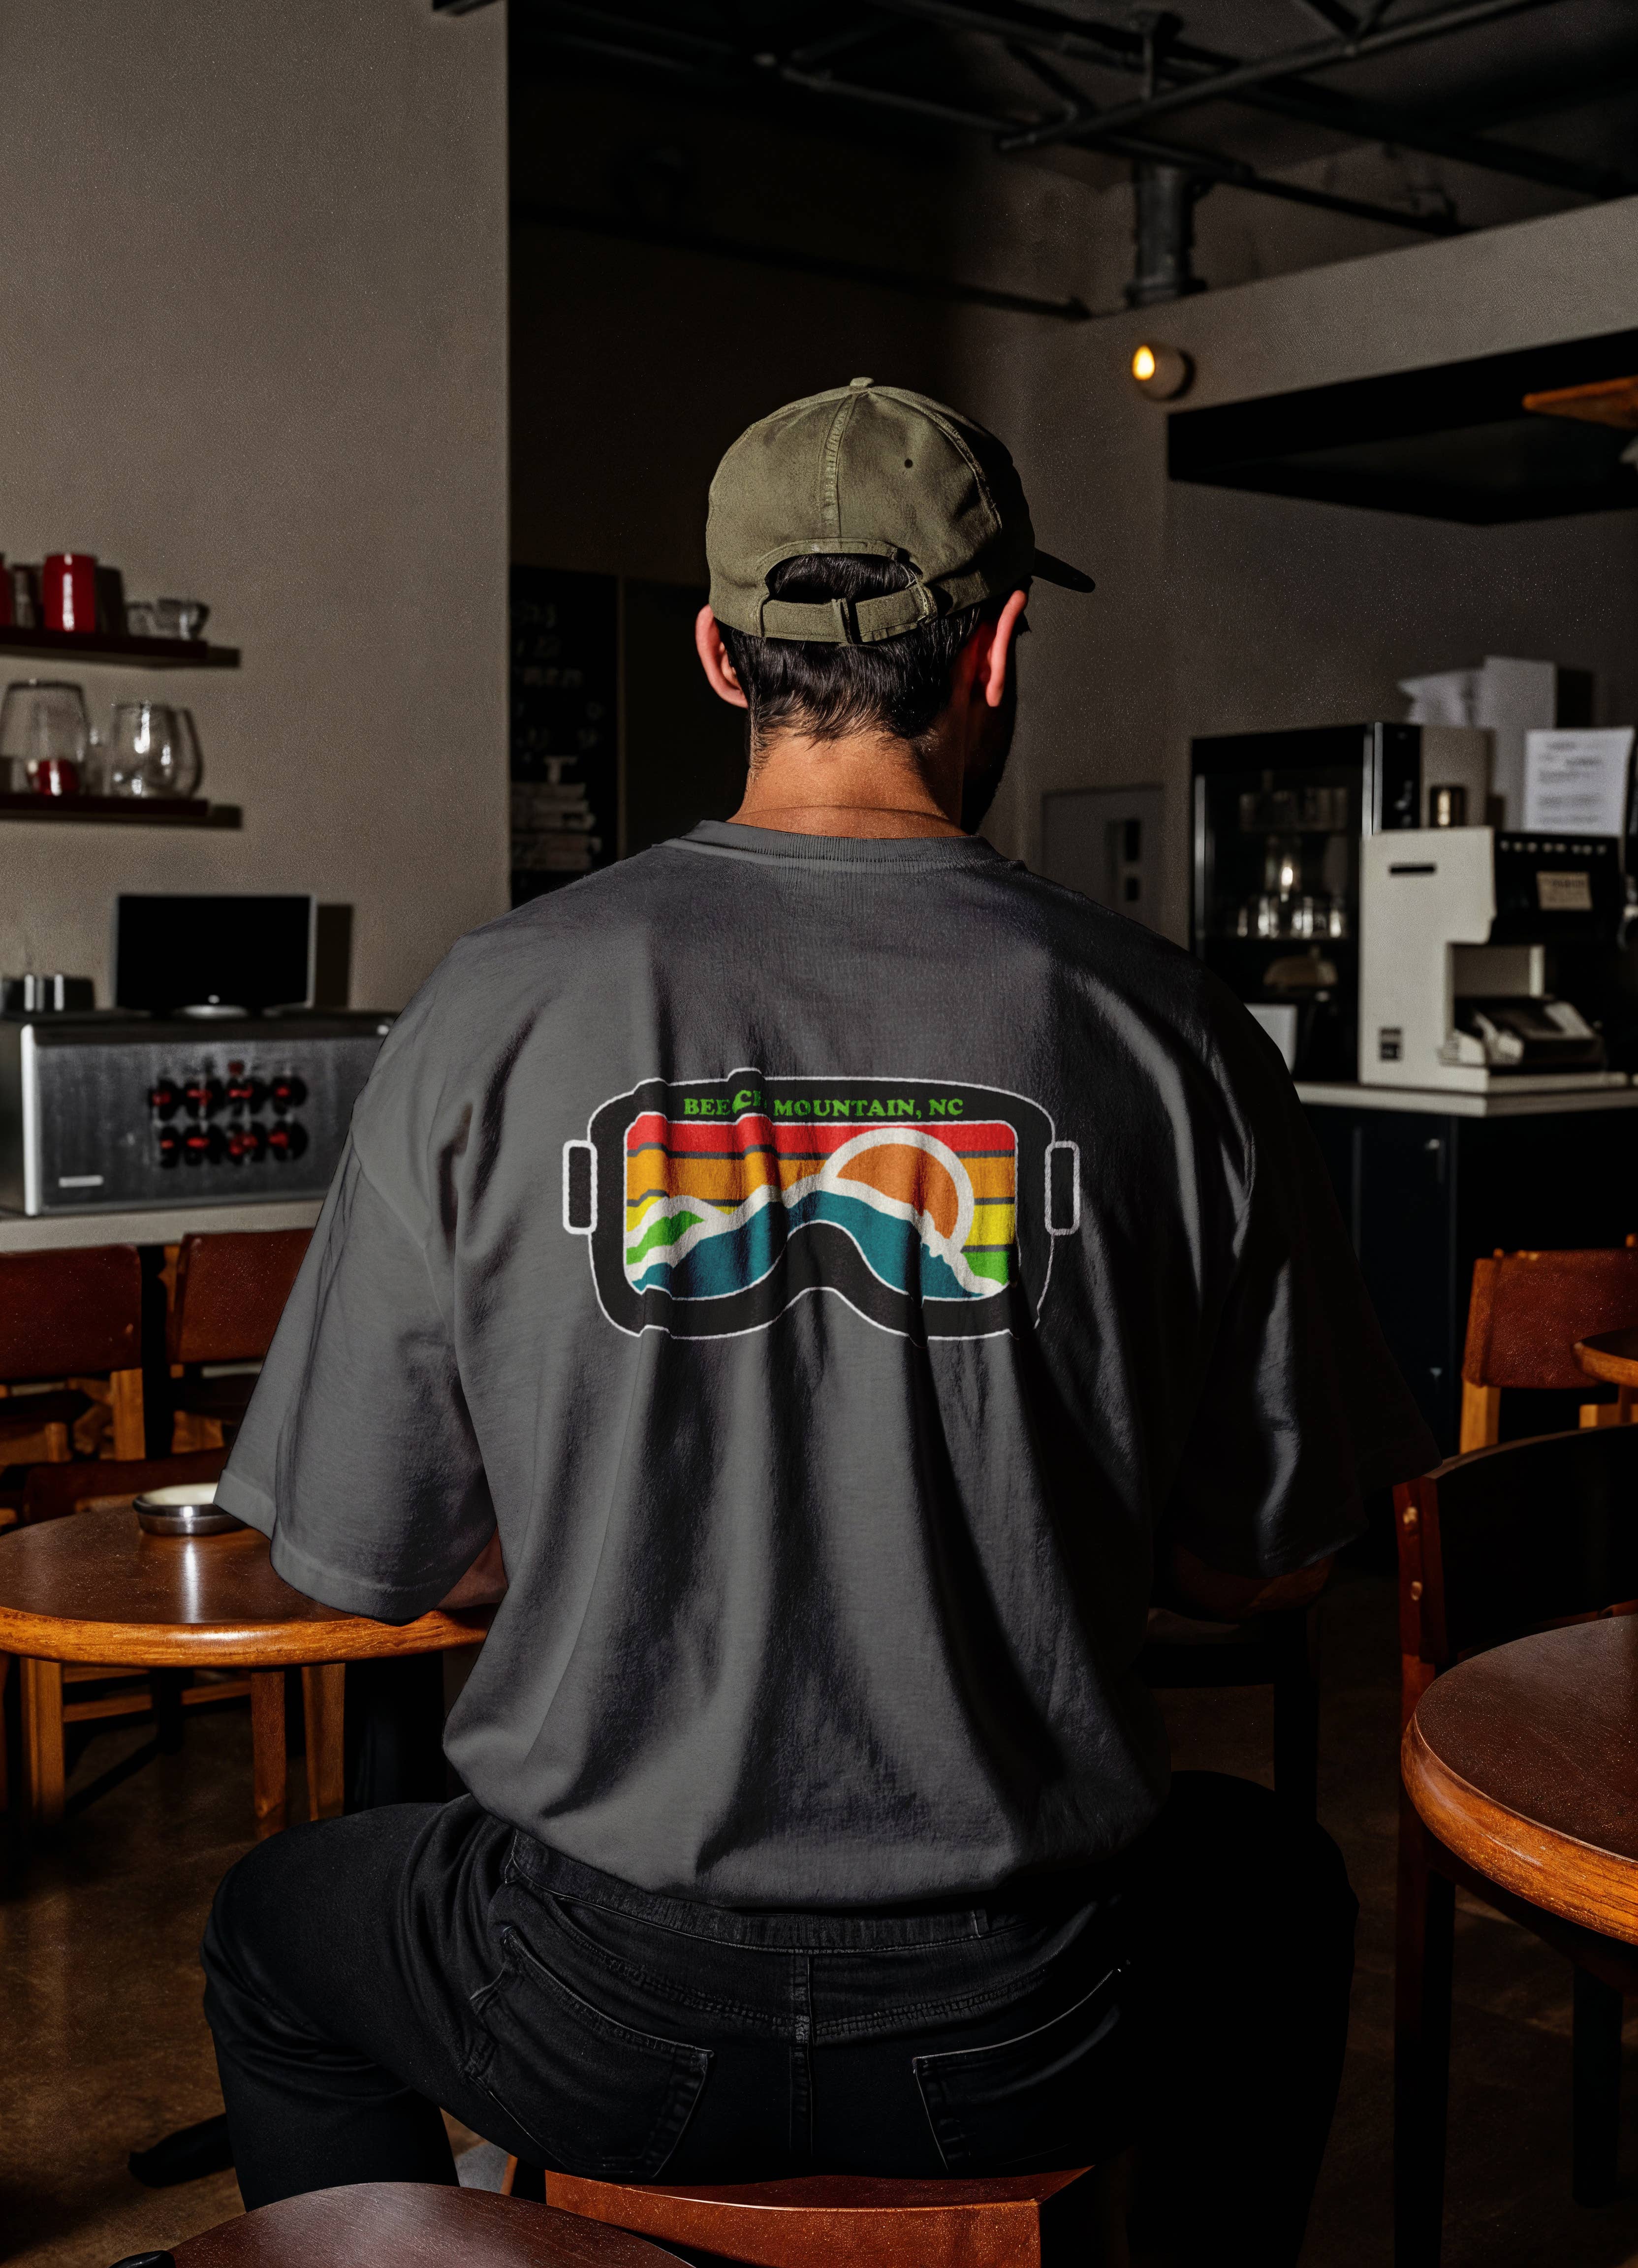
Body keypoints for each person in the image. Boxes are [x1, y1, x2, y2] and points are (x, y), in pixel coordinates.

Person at [202, 379, 1437, 2261]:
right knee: (1278, 1891)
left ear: (719, 655)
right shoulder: (1170, 1031)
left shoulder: (494, 1008)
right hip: (1034, 2011)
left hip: (596, 2004)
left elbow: (383, 1565)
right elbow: (1263, 1569)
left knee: (274, 1936)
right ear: (1000, 650)